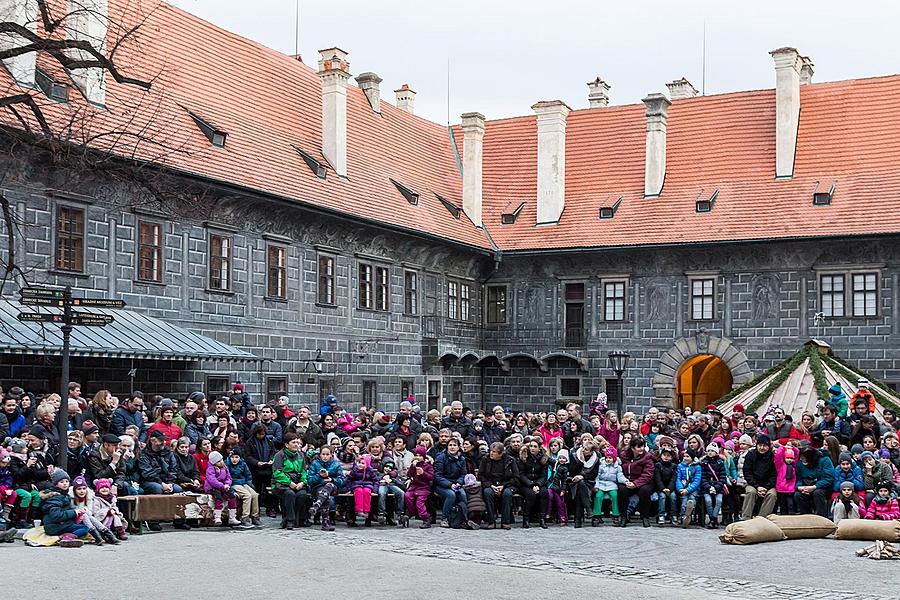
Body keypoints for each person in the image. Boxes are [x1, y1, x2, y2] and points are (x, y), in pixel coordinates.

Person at [42, 470, 89, 547]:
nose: (65, 484)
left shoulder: (64, 494)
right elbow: (56, 516)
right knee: (85, 528)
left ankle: (66, 536)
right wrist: (74, 512)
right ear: (56, 484)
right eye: (61, 482)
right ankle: (67, 537)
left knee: (81, 525)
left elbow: (65, 511)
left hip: (61, 524)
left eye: (66, 481)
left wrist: (77, 516)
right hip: (55, 526)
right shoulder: (55, 497)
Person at [272, 433, 309, 530]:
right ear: (286, 444)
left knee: (302, 495)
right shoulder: (279, 455)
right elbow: (277, 473)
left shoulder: (301, 455)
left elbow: (304, 471)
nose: (297, 444)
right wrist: (289, 483)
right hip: (282, 484)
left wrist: (302, 482)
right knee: (290, 494)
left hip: (297, 483)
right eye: (293, 442)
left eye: (297, 442)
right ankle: (290, 520)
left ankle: (288, 518)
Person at [478, 441, 518, 530]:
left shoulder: (510, 460)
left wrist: (503, 486)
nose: (491, 453)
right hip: (490, 484)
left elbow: (515, 477)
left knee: (507, 494)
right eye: (490, 451)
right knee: (487, 493)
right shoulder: (485, 459)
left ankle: (505, 521)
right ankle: (491, 521)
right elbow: (481, 476)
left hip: (507, 485)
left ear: (500, 454)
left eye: (494, 452)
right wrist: (490, 485)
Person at [68, 475, 118, 545]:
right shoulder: (71, 499)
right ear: (74, 490)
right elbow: (70, 512)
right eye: (79, 489)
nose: (82, 491)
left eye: (83, 489)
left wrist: (86, 511)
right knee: (84, 515)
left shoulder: (89, 498)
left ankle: (108, 535)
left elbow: (90, 513)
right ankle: (99, 537)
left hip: (86, 520)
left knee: (88, 516)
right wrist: (78, 512)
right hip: (74, 521)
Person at [618, 437, 655, 528]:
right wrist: (626, 481)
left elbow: (648, 474)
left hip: (643, 482)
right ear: (632, 448)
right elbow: (619, 471)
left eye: (643, 446)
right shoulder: (623, 456)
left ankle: (645, 516)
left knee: (644, 491)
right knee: (622, 490)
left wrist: (636, 483)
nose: (642, 449)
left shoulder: (647, 457)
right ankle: (623, 516)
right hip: (628, 481)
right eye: (639, 447)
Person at [306, 445, 345, 532]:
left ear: (331, 455)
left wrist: (331, 479)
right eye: (323, 454)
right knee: (324, 494)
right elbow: (310, 480)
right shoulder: (315, 464)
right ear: (320, 454)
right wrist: (320, 476)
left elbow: (342, 480)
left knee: (329, 485)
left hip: (333, 487)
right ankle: (325, 522)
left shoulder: (336, 464)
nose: (325, 456)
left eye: (327, 454)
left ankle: (317, 504)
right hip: (318, 487)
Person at [740, 434, 777, 521]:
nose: (762, 448)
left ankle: (761, 519)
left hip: (768, 485)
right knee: (751, 492)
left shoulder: (772, 457)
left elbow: (774, 475)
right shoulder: (751, 455)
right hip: (753, 483)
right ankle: (746, 518)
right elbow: (747, 473)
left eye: (764, 446)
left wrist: (765, 487)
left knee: (772, 494)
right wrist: (757, 486)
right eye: (760, 445)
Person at [245, 422, 278, 518]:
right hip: (255, 470)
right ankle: (256, 509)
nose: (261, 436)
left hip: (267, 470)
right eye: (260, 434)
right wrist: (256, 462)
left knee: (269, 491)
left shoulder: (268, 441)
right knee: (257, 489)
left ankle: (270, 508)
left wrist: (271, 459)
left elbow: (273, 451)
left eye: (263, 434)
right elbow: (248, 456)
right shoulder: (250, 442)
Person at [433, 437, 467, 528]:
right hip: (441, 484)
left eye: (455, 445)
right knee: (451, 495)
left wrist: (458, 483)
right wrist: (449, 484)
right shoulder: (441, 457)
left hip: (456, 483)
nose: (452, 447)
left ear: (459, 447)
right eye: (450, 445)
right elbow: (437, 476)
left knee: (462, 495)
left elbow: (463, 474)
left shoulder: (462, 459)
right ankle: (445, 518)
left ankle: (462, 518)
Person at [794, 446, 835, 518]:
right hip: (806, 486)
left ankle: (822, 517)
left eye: (804, 458)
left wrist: (814, 487)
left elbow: (829, 478)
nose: (801, 459)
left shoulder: (825, 460)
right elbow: (799, 478)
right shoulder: (800, 464)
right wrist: (799, 487)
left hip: (823, 487)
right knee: (798, 495)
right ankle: (806, 517)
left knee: (818, 493)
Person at [517, 437, 549, 529]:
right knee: (530, 494)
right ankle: (526, 519)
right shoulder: (524, 457)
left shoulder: (543, 459)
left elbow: (544, 476)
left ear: (539, 448)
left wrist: (538, 484)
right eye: (531, 446)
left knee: (544, 493)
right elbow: (521, 475)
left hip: (539, 482)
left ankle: (542, 519)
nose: (532, 448)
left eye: (535, 446)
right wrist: (531, 484)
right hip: (525, 483)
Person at [568, 439, 600, 528]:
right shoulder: (575, 455)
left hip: (588, 482)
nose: (582, 450)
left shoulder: (596, 459)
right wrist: (581, 462)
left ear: (591, 452)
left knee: (581, 487)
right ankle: (588, 509)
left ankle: (578, 520)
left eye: (586, 449)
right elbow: (572, 471)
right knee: (580, 484)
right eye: (583, 447)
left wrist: (582, 476)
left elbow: (594, 474)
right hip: (573, 481)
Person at [204, 450, 240, 527]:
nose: (221, 462)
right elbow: (212, 480)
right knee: (218, 498)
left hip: (224, 486)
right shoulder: (210, 469)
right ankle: (217, 517)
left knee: (232, 496)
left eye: (221, 460)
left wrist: (227, 484)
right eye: (218, 461)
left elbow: (229, 478)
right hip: (213, 487)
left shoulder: (225, 467)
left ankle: (232, 517)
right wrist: (221, 486)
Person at [593, 447, 626, 526]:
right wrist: (596, 485)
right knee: (598, 496)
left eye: (610, 458)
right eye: (607, 458)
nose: (608, 459)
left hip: (612, 484)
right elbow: (597, 476)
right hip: (601, 484)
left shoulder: (617, 467)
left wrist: (625, 481)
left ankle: (615, 515)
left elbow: (620, 476)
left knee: (615, 495)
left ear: (614, 458)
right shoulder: (601, 465)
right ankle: (597, 515)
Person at [228, 449, 260, 527]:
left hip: (243, 483)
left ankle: (255, 516)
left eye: (236, 457)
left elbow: (248, 476)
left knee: (255, 495)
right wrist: (231, 490)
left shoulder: (243, 464)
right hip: (234, 483)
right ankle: (245, 517)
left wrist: (250, 485)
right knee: (247, 495)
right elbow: (227, 478)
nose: (234, 459)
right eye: (232, 457)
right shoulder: (227, 465)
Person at [405, 446, 434, 529]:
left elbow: (431, 477)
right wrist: (412, 467)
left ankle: (426, 517)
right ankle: (412, 512)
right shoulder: (414, 464)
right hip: (414, 486)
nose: (418, 457)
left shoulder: (428, 466)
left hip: (424, 487)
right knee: (407, 496)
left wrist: (423, 473)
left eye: (420, 455)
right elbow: (409, 474)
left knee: (419, 503)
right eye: (416, 455)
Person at [347, 456, 379, 527]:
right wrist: (349, 488)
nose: (360, 465)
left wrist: (375, 490)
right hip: (357, 485)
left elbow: (375, 481)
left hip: (368, 485)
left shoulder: (370, 471)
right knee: (359, 492)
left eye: (363, 463)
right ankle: (359, 510)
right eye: (359, 463)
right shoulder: (355, 470)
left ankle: (366, 510)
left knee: (367, 492)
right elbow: (349, 479)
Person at [701, 442, 727, 529]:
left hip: (718, 487)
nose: (710, 452)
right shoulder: (704, 463)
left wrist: (716, 487)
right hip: (707, 487)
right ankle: (713, 519)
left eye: (712, 451)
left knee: (719, 501)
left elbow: (723, 478)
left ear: (716, 452)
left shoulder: (720, 463)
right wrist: (709, 487)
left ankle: (713, 519)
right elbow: (703, 478)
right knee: (708, 501)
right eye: (708, 451)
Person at [676, 449, 702, 528]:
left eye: (688, 456)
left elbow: (697, 481)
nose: (685, 458)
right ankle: (684, 517)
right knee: (684, 501)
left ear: (692, 458)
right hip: (683, 488)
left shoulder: (697, 467)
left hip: (693, 489)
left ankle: (688, 515)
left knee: (692, 499)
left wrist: (688, 490)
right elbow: (678, 478)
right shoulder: (680, 466)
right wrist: (680, 488)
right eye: (684, 456)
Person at [654, 446, 678, 525]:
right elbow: (657, 479)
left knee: (673, 496)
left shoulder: (674, 466)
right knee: (662, 496)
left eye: (668, 455)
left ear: (671, 457)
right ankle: (661, 515)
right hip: (661, 488)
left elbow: (673, 479)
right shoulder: (658, 465)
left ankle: (673, 514)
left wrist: (669, 489)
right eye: (664, 455)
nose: (666, 457)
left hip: (670, 488)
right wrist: (663, 489)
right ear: (661, 456)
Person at [547, 448, 570, 526]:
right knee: (549, 496)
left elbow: (565, 480)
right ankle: (548, 513)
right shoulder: (556, 465)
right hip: (552, 485)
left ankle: (563, 518)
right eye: (560, 458)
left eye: (563, 458)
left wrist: (563, 489)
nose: (561, 460)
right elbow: (549, 460)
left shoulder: (565, 468)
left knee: (560, 503)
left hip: (559, 488)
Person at [773, 443, 798, 515]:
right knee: (783, 506)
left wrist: (792, 448)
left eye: (791, 458)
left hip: (790, 489)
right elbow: (778, 456)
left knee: (791, 505)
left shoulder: (793, 465)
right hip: (781, 489)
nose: (789, 460)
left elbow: (797, 454)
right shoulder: (780, 465)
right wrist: (783, 448)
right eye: (787, 458)